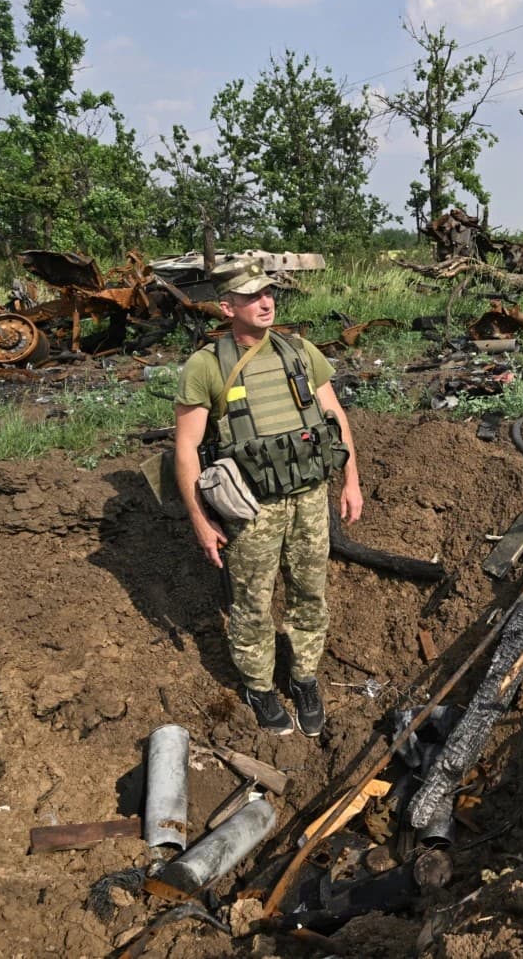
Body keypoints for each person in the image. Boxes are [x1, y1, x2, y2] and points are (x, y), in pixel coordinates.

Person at [173, 259, 362, 736]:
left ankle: (303, 678)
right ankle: (258, 686)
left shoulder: (299, 351)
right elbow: (186, 449)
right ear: (227, 306)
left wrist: (351, 480)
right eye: (252, 296)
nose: (265, 302)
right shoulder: (205, 366)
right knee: (252, 601)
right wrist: (199, 521)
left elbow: (334, 416)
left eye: (268, 293)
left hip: (310, 499)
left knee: (309, 592)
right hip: (251, 508)